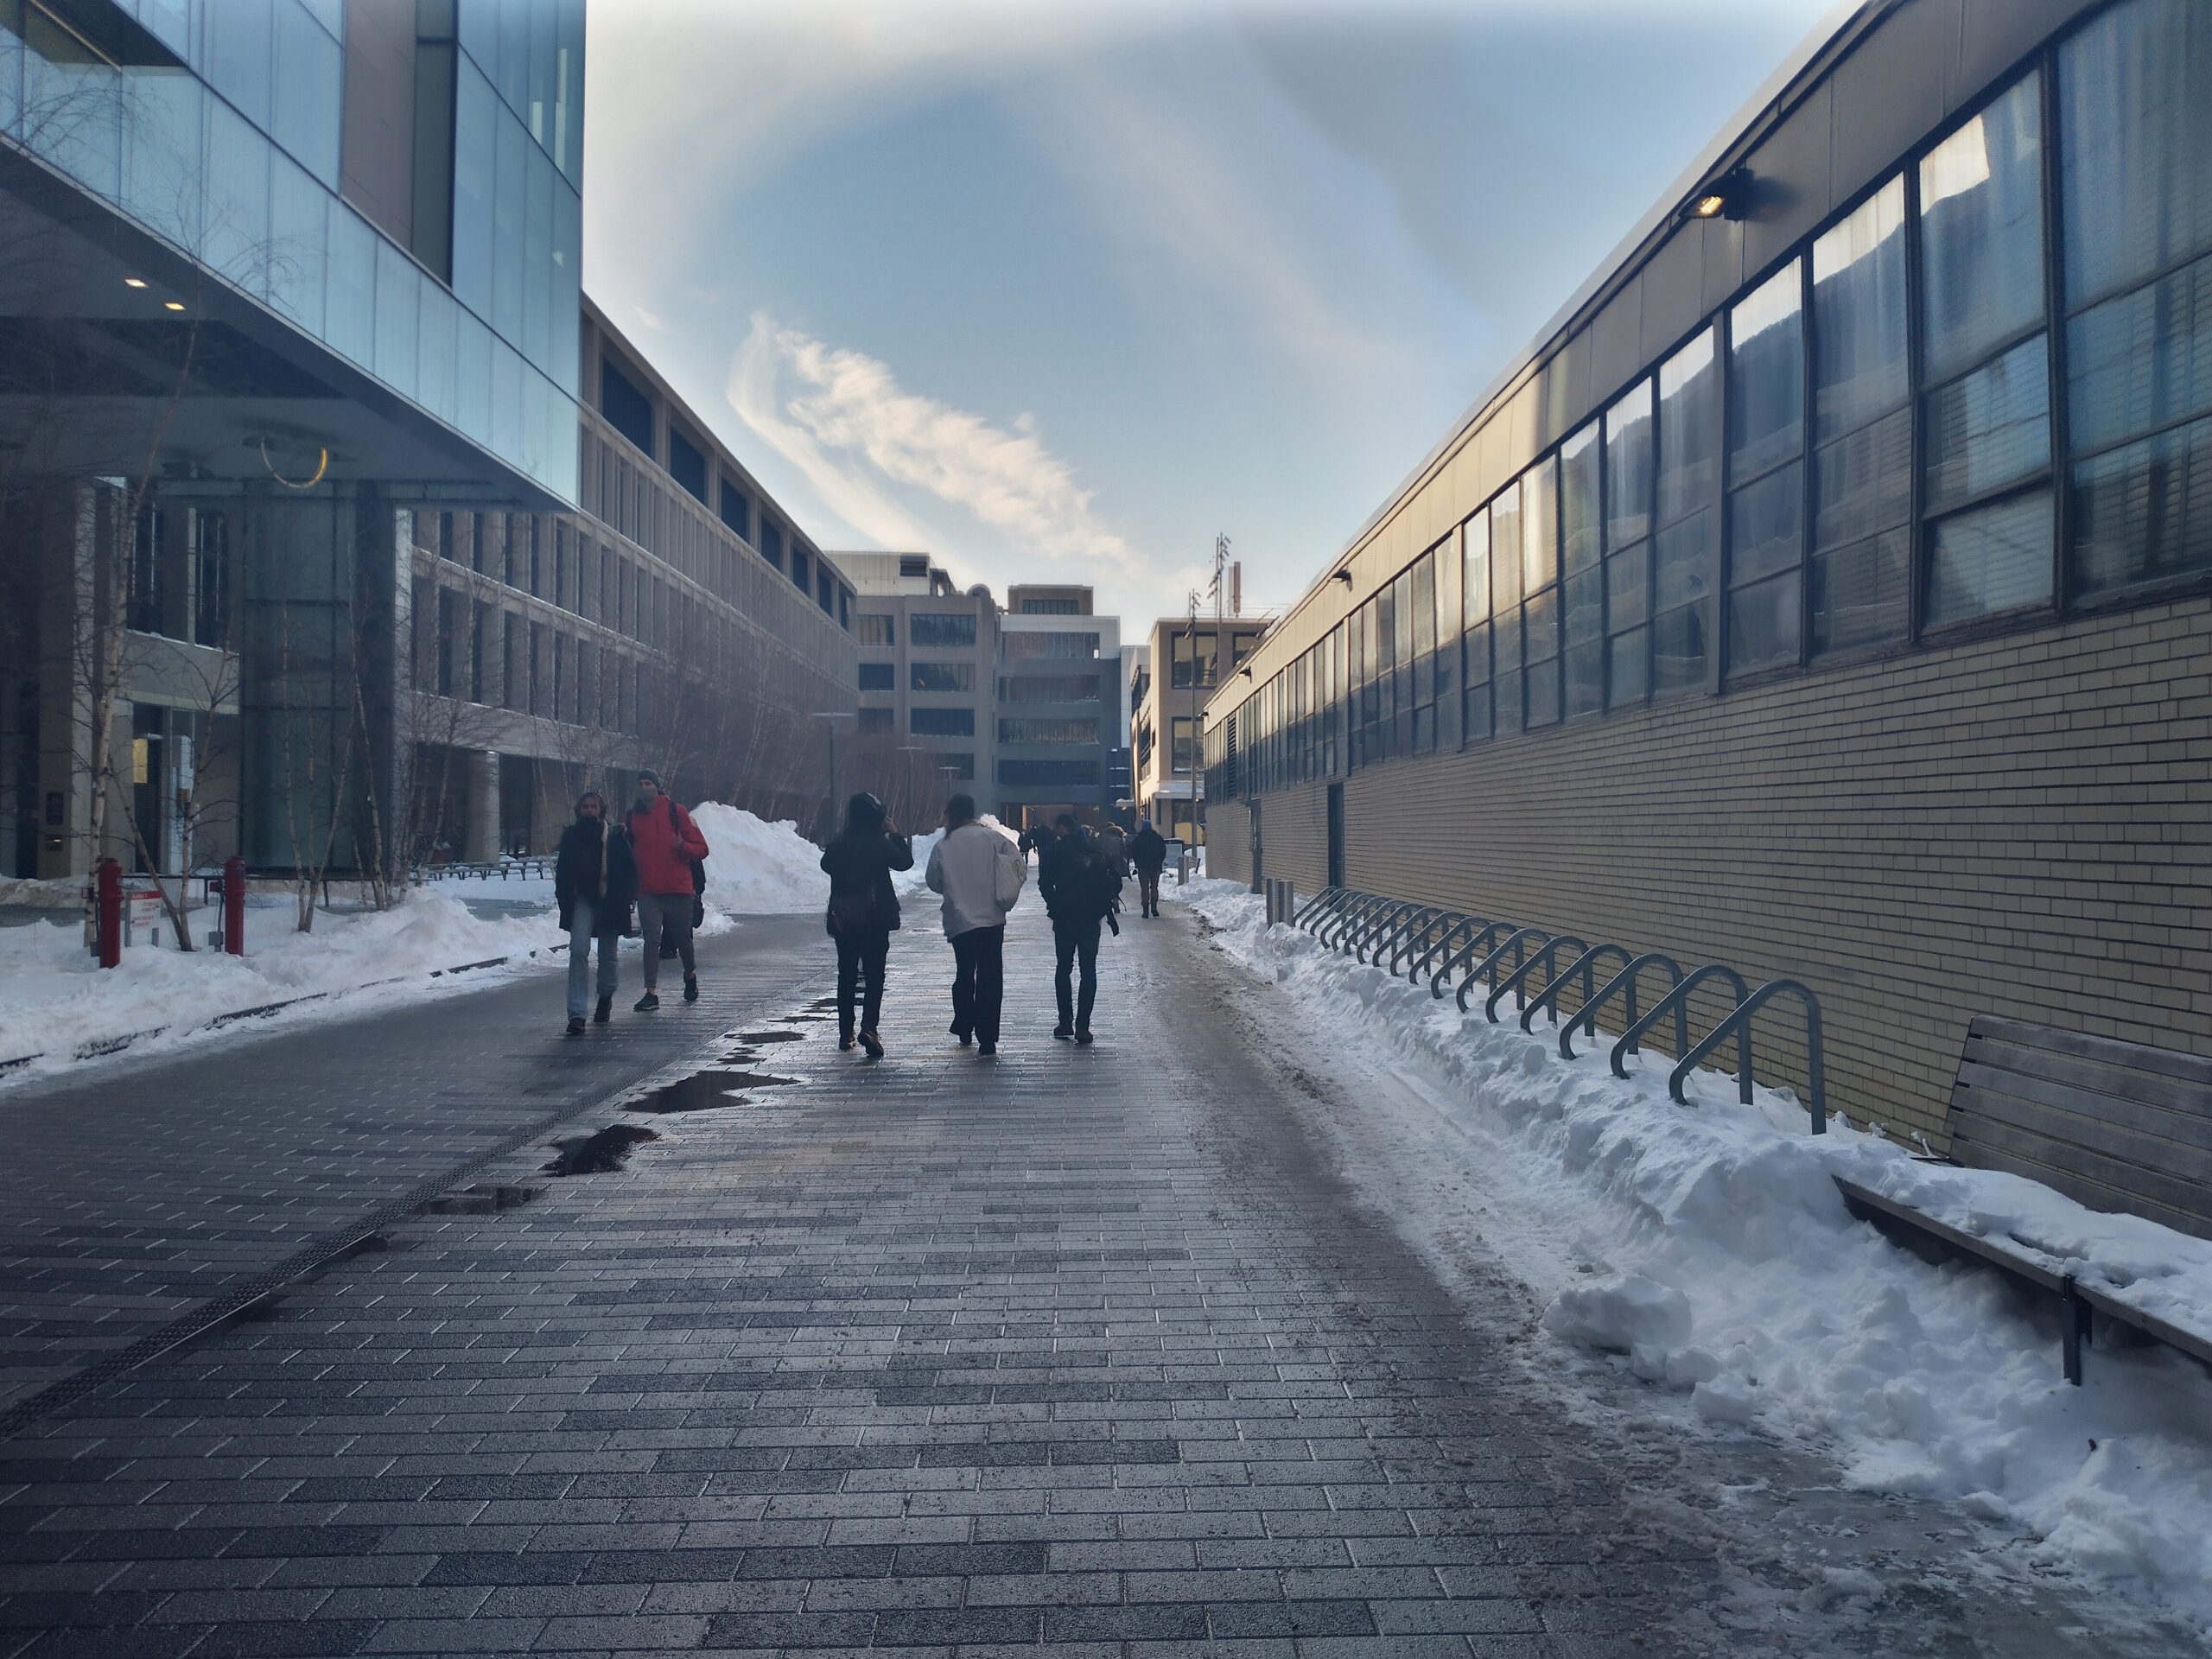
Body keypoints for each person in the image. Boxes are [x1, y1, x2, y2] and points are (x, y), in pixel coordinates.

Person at [924, 793, 1027, 1058]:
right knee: (990, 977)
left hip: (959, 919)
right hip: (991, 918)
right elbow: (1017, 864)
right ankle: (988, 1036)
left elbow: (933, 881)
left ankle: (964, 1024)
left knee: (964, 973)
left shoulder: (944, 845)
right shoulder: (992, 838)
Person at [819, 791, 913, 1058]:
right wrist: (894, 834)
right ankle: (869, 1027)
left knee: (846, 974)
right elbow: (905, 862)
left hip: (845, 918)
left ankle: (845, 1032)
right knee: (874, 975)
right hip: (875, 919)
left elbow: (826, 864)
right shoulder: (879, 844)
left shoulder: (840, 845)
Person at [553, 790, 637, 1036]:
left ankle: (605, 995)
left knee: (608, 957)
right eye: (585, 807)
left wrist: (627, 895)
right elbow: (563, 872)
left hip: (610, 901)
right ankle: (577, 1014)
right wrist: (563, 899)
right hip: (582, 900)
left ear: (601, 810)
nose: (589, 810)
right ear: (579, 810)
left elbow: (630, 870)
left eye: (594, 806)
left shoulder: (614, 836)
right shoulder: (571, 837)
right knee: (578, 950)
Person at [625, 769, 709, 1009]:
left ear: (657, 786)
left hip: (677, 890)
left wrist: (683, 846)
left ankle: (690, 975)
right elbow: (628, 854)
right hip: (648, 891)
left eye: (648, 783)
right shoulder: (632, 817)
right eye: (640, 783)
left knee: (683, 940)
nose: (644, 787)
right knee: (651, 941)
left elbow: (701, 848)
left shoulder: (676, 812)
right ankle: (651, 993)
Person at [1038, 814, 1121, 1043]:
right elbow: (1113, 880)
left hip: (1064, 917)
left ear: (1061, 828)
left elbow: (1043, 882)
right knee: (1088, 969)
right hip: (1090, 918)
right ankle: (1083, 1026)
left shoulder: (1054, 852)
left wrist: (1053, 903)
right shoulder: (1092, 850)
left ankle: (1065, 1022)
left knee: (1063, 968)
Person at [1129, 818, 1167, 918]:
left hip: (1143, 867)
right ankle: (1154, 908)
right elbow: (1163, 851)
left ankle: (1145, 911)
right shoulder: (1158, 838)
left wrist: (1137, 863)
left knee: (1144, 889)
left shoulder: (1138, 839)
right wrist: (1159, 862)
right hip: (1155, 866)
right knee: (1154, 887)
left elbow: (1133, 852)